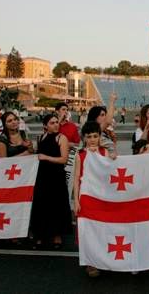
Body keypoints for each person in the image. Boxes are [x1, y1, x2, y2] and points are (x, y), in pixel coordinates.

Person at [73, 121, 117, 278]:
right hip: (86, 196)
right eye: (89, 136)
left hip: (102, 196)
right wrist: (76, 200)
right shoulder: (80, 155)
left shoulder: (104, 152)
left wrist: (113, 156)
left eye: (95, 136)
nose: (92, 139)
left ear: (100, 137)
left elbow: (112, 172)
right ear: (84, 138)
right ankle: (90, 262)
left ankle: (102, 258)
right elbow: (76, 178)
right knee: (87, 230)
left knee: (101, 228)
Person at [30, 114, 72, 249]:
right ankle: (40, 236)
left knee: (56, 206)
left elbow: (64, 159)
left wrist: (46, 157)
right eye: (52, 123)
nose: (56, 125)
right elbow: (37, 156)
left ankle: (57, 237)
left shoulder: (62, 138)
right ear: (45, 126)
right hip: (42, 177)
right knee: (42, 206)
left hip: (56, 177)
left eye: (56, 122)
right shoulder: (41, 138)